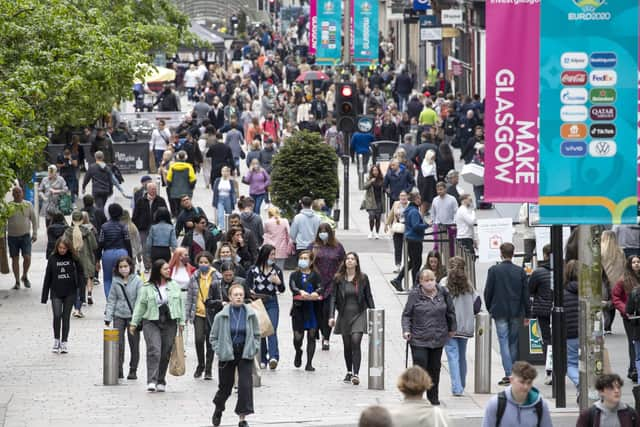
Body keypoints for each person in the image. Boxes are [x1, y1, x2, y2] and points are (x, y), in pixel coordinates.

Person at [129, 259, 185, 392]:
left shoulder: (174, 285)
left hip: (170, 321)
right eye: (165, 269)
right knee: (154, 350)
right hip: (151, 320)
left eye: (169, 268)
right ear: (158, 271)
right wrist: (134, 323)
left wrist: (181, 321)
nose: (168, 271)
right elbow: (140, 306)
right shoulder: (147, 287)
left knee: (165, 351)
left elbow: (180, 305)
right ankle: (151, 380)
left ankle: (161, 380)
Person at [402, 269, 456, 405]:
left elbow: (450, 311)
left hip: (437, 337)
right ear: (420, 282)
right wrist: (406, 330)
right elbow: (407, 314)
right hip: (419, 338)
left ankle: (433, 397)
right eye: (426, 280)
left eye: (432, 280)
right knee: (420, 367)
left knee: (435, 368)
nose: (430, 283)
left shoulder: (443, 292)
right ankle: (416, 396)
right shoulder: (415, 294)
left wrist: (452, 328)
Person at [210, 283, 260, 427]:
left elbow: (257, 334)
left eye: (241, 295)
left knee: (245, 386)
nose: (238, 297)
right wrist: (219, 350)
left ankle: (242, 418)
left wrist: (254, 347)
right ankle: (219, 407)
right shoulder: (221, 316)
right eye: (236, 295)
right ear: (230, 297)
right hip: (227, 353)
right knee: (225, 387)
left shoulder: (250, 314)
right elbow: (213, 337)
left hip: (244, 352)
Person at [484, 242, 529, 386]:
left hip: (499, 310)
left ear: (501, 253)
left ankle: (508, 373)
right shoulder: (520, 271)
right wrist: (528, 313)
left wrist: (490, 307)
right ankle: (512, 373)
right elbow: (525, 294)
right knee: (513, 342)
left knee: (503, 341)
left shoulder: (494, 270)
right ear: (513, 253)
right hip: (516, 311)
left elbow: (488, 292)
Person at [328, 252, 375, 386]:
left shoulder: (363, 278)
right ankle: (349, 371)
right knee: (347, 345)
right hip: (344, 315)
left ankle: (356, 374)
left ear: (356, 262)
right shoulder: (338, 278)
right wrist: (331, 316)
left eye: (352, 259)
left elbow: (368, 296)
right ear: (344, 262)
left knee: (356, 341)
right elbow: (333, 298)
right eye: (347, 259)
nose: (349, 261)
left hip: (359, 313)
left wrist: (374, 313)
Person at [41, 237, 84, 354]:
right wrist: (44, 296)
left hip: (70, 291)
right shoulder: (52, 258)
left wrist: (82, 295)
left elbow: (81, 275)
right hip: (56, 291)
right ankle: (56, 340)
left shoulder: (74, 258)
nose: (62, 250)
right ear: (57, 247)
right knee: (56, 315)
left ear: (68, 248)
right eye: (60, 248)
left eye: (64, 248)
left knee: (66, 317)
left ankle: (64, 342)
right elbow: (47, 277)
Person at [246, 244, 285, 369]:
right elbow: (247, 285)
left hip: (272, 301)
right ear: (264, 255)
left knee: (272, 328)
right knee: (261, 329)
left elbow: (282, 289)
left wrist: (278, 282)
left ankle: (274, 356)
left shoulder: (277, 270)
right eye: (271, 254)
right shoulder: (253, 270)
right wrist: (250, 292)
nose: (273, 257)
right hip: (258, 302)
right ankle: (262, 357)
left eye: (274, 254)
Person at [104, 256, 143, 380]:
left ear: (130, 266)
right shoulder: (116, 281)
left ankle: (133, 370)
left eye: (126, 266)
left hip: (133, 317)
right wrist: (108, 316)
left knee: (134, 344)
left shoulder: (137, 281)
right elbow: (112, 299)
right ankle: (118, 369)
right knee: (118, 344)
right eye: (121, 267)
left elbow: (140, 301)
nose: (123, 269)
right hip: (119, 315)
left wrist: (137, 318)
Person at [481, 361, 552, 427]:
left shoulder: (540, 405)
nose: (525, 387)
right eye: (522, 382)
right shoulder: (496, 404)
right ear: (511, 380)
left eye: (529, 382)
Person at [310, 223, 346, 351]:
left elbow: (344, 261)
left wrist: (340, 275)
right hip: (317, 284)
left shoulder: (337, 247)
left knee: (328, 311)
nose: (323, 233)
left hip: (332, 283)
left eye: (325, 231)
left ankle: (326, 338)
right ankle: (320, 331)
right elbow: (307, 261)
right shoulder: (314, 246)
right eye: (321, 231)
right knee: (317, 311)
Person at [186, 251, 217, 380]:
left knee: (210, 341)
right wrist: (187, 314)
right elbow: (189, 297)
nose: (203, 265)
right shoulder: (194, 277)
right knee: (199, 339)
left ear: (210, 263)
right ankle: (201, 364)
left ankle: (209, 368)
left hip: (212, 313)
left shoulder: (216, 277)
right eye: (201, 262)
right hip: (198, 312)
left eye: (206, 262)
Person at [289, 250, 323, 371]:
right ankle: (298, 351)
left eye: (305, 258)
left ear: (311, 261)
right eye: (301, 258)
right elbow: (292, 286)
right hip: (299, 309)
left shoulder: (315, 275)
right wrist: (299, 292)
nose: (303, 260)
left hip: (312, 309)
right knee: (298, 337)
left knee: (312, 335)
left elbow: (320, 287)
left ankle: (309, 363)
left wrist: (316, 292)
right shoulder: (294, 275)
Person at [390, 191, 428, 291]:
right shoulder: (414, 211)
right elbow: (416, 226)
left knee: (412, 262)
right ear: (416, 199)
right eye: (419, 198)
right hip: (414, 239)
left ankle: (399, 280)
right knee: (416, 263)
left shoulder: (410, 209)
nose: (420, 200)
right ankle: (413, 284)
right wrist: (427, 225)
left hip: (411, 238)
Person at [64, 211, 98, 318]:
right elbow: (94, 246)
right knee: (80, 285)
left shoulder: (67, 232)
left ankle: (75, 308)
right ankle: (78, 308)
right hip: (84, 262)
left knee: (73, 286)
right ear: (82, 220)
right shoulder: (88, 232)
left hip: (70, 261)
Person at [528, 243, 553, 384]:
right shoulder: (563, 270)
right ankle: (558, 368)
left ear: (544, 255)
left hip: (543, 310)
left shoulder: (538, 272)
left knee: (547, 340)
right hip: (560, 309)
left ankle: (549, 370)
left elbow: (530, 289)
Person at [614, 255, 640, 383]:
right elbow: (616, 297)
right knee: (633, 342)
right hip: (630, 317)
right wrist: (625, 310)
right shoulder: (623, 280)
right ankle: (634, 368)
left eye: (638, 262)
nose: (636, 264)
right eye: (634, 262)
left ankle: (633, 368)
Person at [97, 204, 132, 298]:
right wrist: (130, 257)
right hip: (122, 253)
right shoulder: (123, 226)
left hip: (107, 253)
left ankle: (110, 302)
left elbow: (100, 243)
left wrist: (97, 259)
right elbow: (127, 242)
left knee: (108, 279)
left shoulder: (104, 227)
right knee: (122, 278)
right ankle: (121, 299)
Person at [132, 181, 167, 272]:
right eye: (152, 189)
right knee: (145, 247)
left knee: (156, 247)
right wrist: (135, 225)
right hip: (143, 228)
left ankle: (155, 265)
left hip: (157, 228)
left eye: (155, 189)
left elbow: (166, 214)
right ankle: (147, 266)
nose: (154, 191)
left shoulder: (161, 201)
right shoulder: (141, 201)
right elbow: (135, 214)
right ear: (147, 190)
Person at [7, 186, 37, 289]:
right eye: (15, 192)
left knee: (27, 257)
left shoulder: (28, 205)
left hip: (25, 236)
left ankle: (24, 275)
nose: (17, 194)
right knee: (14, 259)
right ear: (12, 194)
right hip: (12, 237)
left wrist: (35, 233)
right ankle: (17, 282)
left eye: (19, 192)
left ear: (23, 193)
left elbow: (34, 219)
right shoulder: (9, 206)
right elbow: (3, 222)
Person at [603, 229, 627, 335]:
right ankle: (608, 327)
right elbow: (625, 266)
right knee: (612, 303)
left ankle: (605, 324)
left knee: (604, 303)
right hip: (617, 282)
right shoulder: (620, 251)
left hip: (604, 282)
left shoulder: (600, 251)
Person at [562, 259, 580, 389]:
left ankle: (580, 384)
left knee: (570, 364)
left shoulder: (563, 293)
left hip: (570, 334)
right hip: (587, 333)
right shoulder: (588, 290)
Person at [430, 182, 458, 257]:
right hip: (438, 225)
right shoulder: (435, 200)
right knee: (437, 245)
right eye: (438, 190)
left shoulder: (452, 199)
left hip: (450, 225)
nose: (439, 191)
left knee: (450, 245)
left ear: (445, 189)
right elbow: (433, 212)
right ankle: (436, 261)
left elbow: (456, 212)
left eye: (441, 189)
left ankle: (451, 262)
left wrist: (454, 223)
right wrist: (433, 223)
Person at [166, 150, 197, 217]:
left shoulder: (172, 167)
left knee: (177, 208)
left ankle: (178, 221)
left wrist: (171, 188)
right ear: (185, 157)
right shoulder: (189, 167)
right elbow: (193, 180)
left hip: (175, 192)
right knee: (185, 208)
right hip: (186, 192)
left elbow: (168, 180)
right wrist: (191, 188)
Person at [385, 190, 409, 273]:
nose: (403, 198)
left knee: (408, 248)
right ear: (399, 197)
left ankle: (408, 265)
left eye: (404, 196)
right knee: (398, 248)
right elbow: (391, 214)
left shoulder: (410, 205)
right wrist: (386, 224)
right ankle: (398, 265)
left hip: (407, 229)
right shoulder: (396, 204)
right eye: (401, 196)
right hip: (397, 228)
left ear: (407, 197)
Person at [362, 164, 384, 239]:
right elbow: (364, 186)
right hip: (371, 201)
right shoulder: (368, 178)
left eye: (376, 170)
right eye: (373, 170)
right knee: (371, 216)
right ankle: (371, 232)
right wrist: (371, 181)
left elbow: (385, 188)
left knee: (378, 217)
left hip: (379, 201)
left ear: (378, 171)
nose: (375, 172)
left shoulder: (382, 179)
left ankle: (377, 233)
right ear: (371, 171)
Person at [212, 166, 237, 230]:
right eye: (223, 171)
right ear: (221, 172)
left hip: (228, 198)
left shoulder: (231, 181)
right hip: (220, 199)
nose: (224, 173)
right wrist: (214, 201)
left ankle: (229, 228)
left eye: (226, 171)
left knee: (229, 215)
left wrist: (234, 200)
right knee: (220, 214)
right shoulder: (218, 180)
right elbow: (215, 191)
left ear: (229, 173)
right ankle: (222, 228)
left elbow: (233, 191)